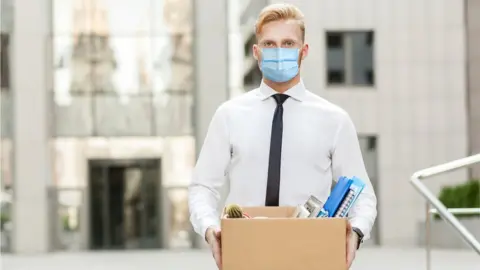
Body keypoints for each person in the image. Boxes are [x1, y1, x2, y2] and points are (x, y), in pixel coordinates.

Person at [188, 3, 377, 269]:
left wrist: (356, 233)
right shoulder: (229, 115)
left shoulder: (334, 120)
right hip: (246, 253)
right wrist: (210, 229)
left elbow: (364, 194)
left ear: (304, 50)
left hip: (311, 255)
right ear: (256, 52)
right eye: (269, 44)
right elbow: (202, 187)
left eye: (288, 43)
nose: (279, 51)